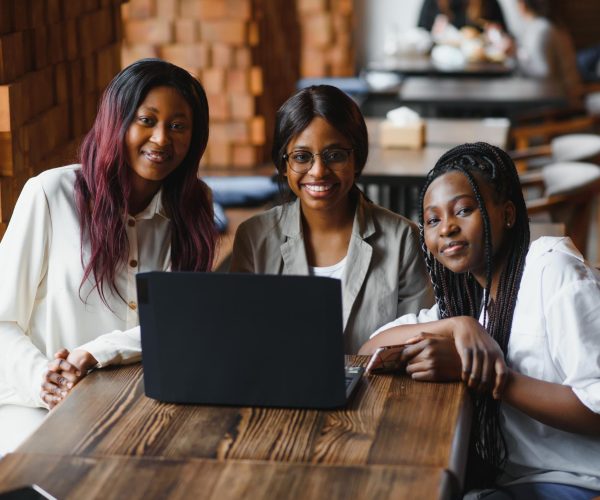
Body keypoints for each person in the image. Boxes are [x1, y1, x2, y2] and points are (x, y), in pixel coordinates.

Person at [0, 58, 217, 453]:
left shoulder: (193, 207)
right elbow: (1, 318)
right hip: (38, 406)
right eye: (146, 120)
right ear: (115, 121)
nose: (161, 139)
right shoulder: (50, 195)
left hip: (143, 404)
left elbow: (183, 323)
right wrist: (44, 378)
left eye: (178, 125)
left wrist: (95, 354)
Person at [359, 142, 600, 498]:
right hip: (504, 479)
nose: (447, 228)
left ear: (507, 214)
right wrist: (457, 326)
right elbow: (370, 347)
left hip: (574, 480)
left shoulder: (551, 272)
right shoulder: (470, 300)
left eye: (463, 210)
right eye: (433, 219)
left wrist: (485, 376)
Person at [230, 85, 434, 353]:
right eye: (302, 157)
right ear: (282, 165)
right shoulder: (254, 237)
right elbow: (243, 339)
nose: (318, 171)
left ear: (357, 159)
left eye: (335, 155)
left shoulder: (403, 239)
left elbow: (415, 344)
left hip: (379, 389)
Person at [515, 0, 582, 103]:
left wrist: (514, 56)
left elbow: (544, 74)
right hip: (558, 95)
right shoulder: (543, 26)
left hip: (562, 102)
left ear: (522, 5)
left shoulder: (542, 29)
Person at [418, 0, 508, 33]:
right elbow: (418, 37)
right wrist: (433, 37)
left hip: (484, 71)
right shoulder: (432, 3)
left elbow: (508, 40)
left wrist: (498, 36)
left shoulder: (488, 3)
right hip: (437, 72)